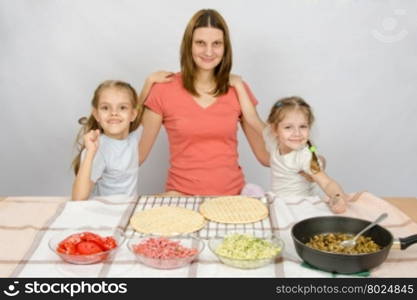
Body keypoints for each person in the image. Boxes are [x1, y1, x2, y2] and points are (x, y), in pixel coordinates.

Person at [138, 9, 268, 196]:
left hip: (233, 199)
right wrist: (94, 155)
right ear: (188, 45)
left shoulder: (238, 88)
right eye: (200, 43)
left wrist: (305, 159)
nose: (208, 51)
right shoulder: (163, 89)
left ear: (225, 48)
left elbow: (265, 156)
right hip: (180, 198)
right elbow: (137, 156)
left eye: (216, 44)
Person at [230, 75, 352, 213]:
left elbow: (326, 182)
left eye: (303, 126)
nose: (297, 133)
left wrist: (337, 197)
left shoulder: (304, 156)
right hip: (281, 204)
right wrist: (238, 85)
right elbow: (251, 117)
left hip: (302, 208)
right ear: (275, 129)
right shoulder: (272, 139)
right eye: (288, 127)